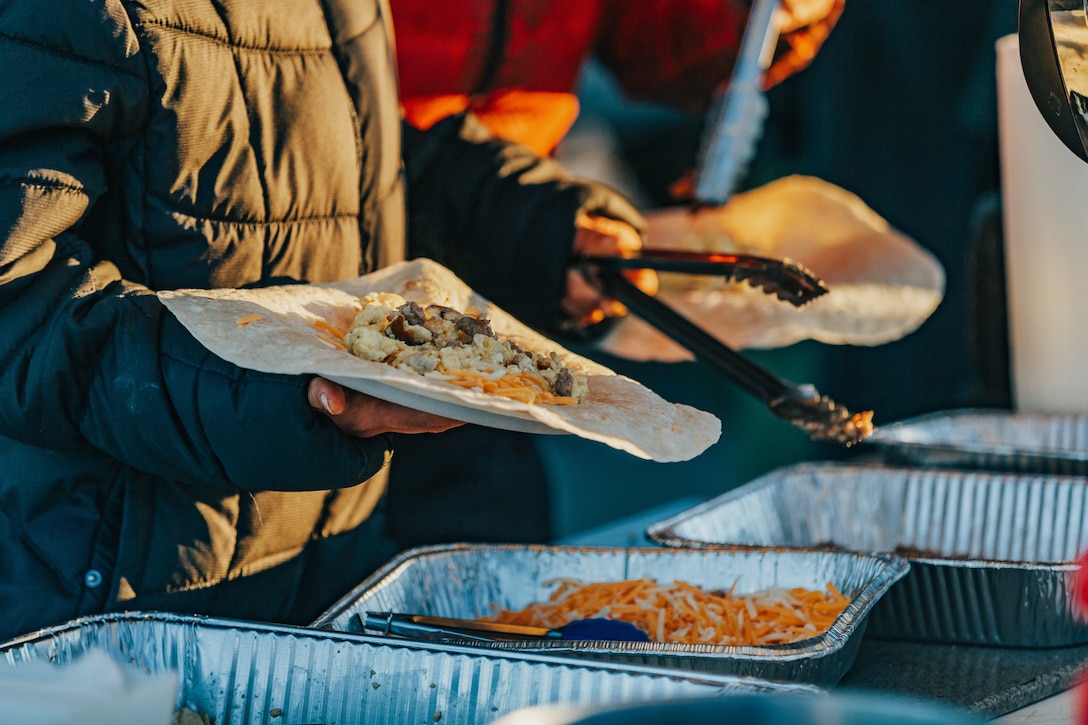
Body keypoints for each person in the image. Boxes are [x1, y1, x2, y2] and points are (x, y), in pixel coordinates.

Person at [0, 0, 652, 642]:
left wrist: (538, 231)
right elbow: (21, 303)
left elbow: (361, 162)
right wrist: (289, 385)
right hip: (116, 611)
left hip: (329, 576)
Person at [381, 0, 845, 548]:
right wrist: (509, 212)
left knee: (487, 578)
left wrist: (749, 16)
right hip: (324, 261)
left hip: (487, 302)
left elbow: (647, 39)